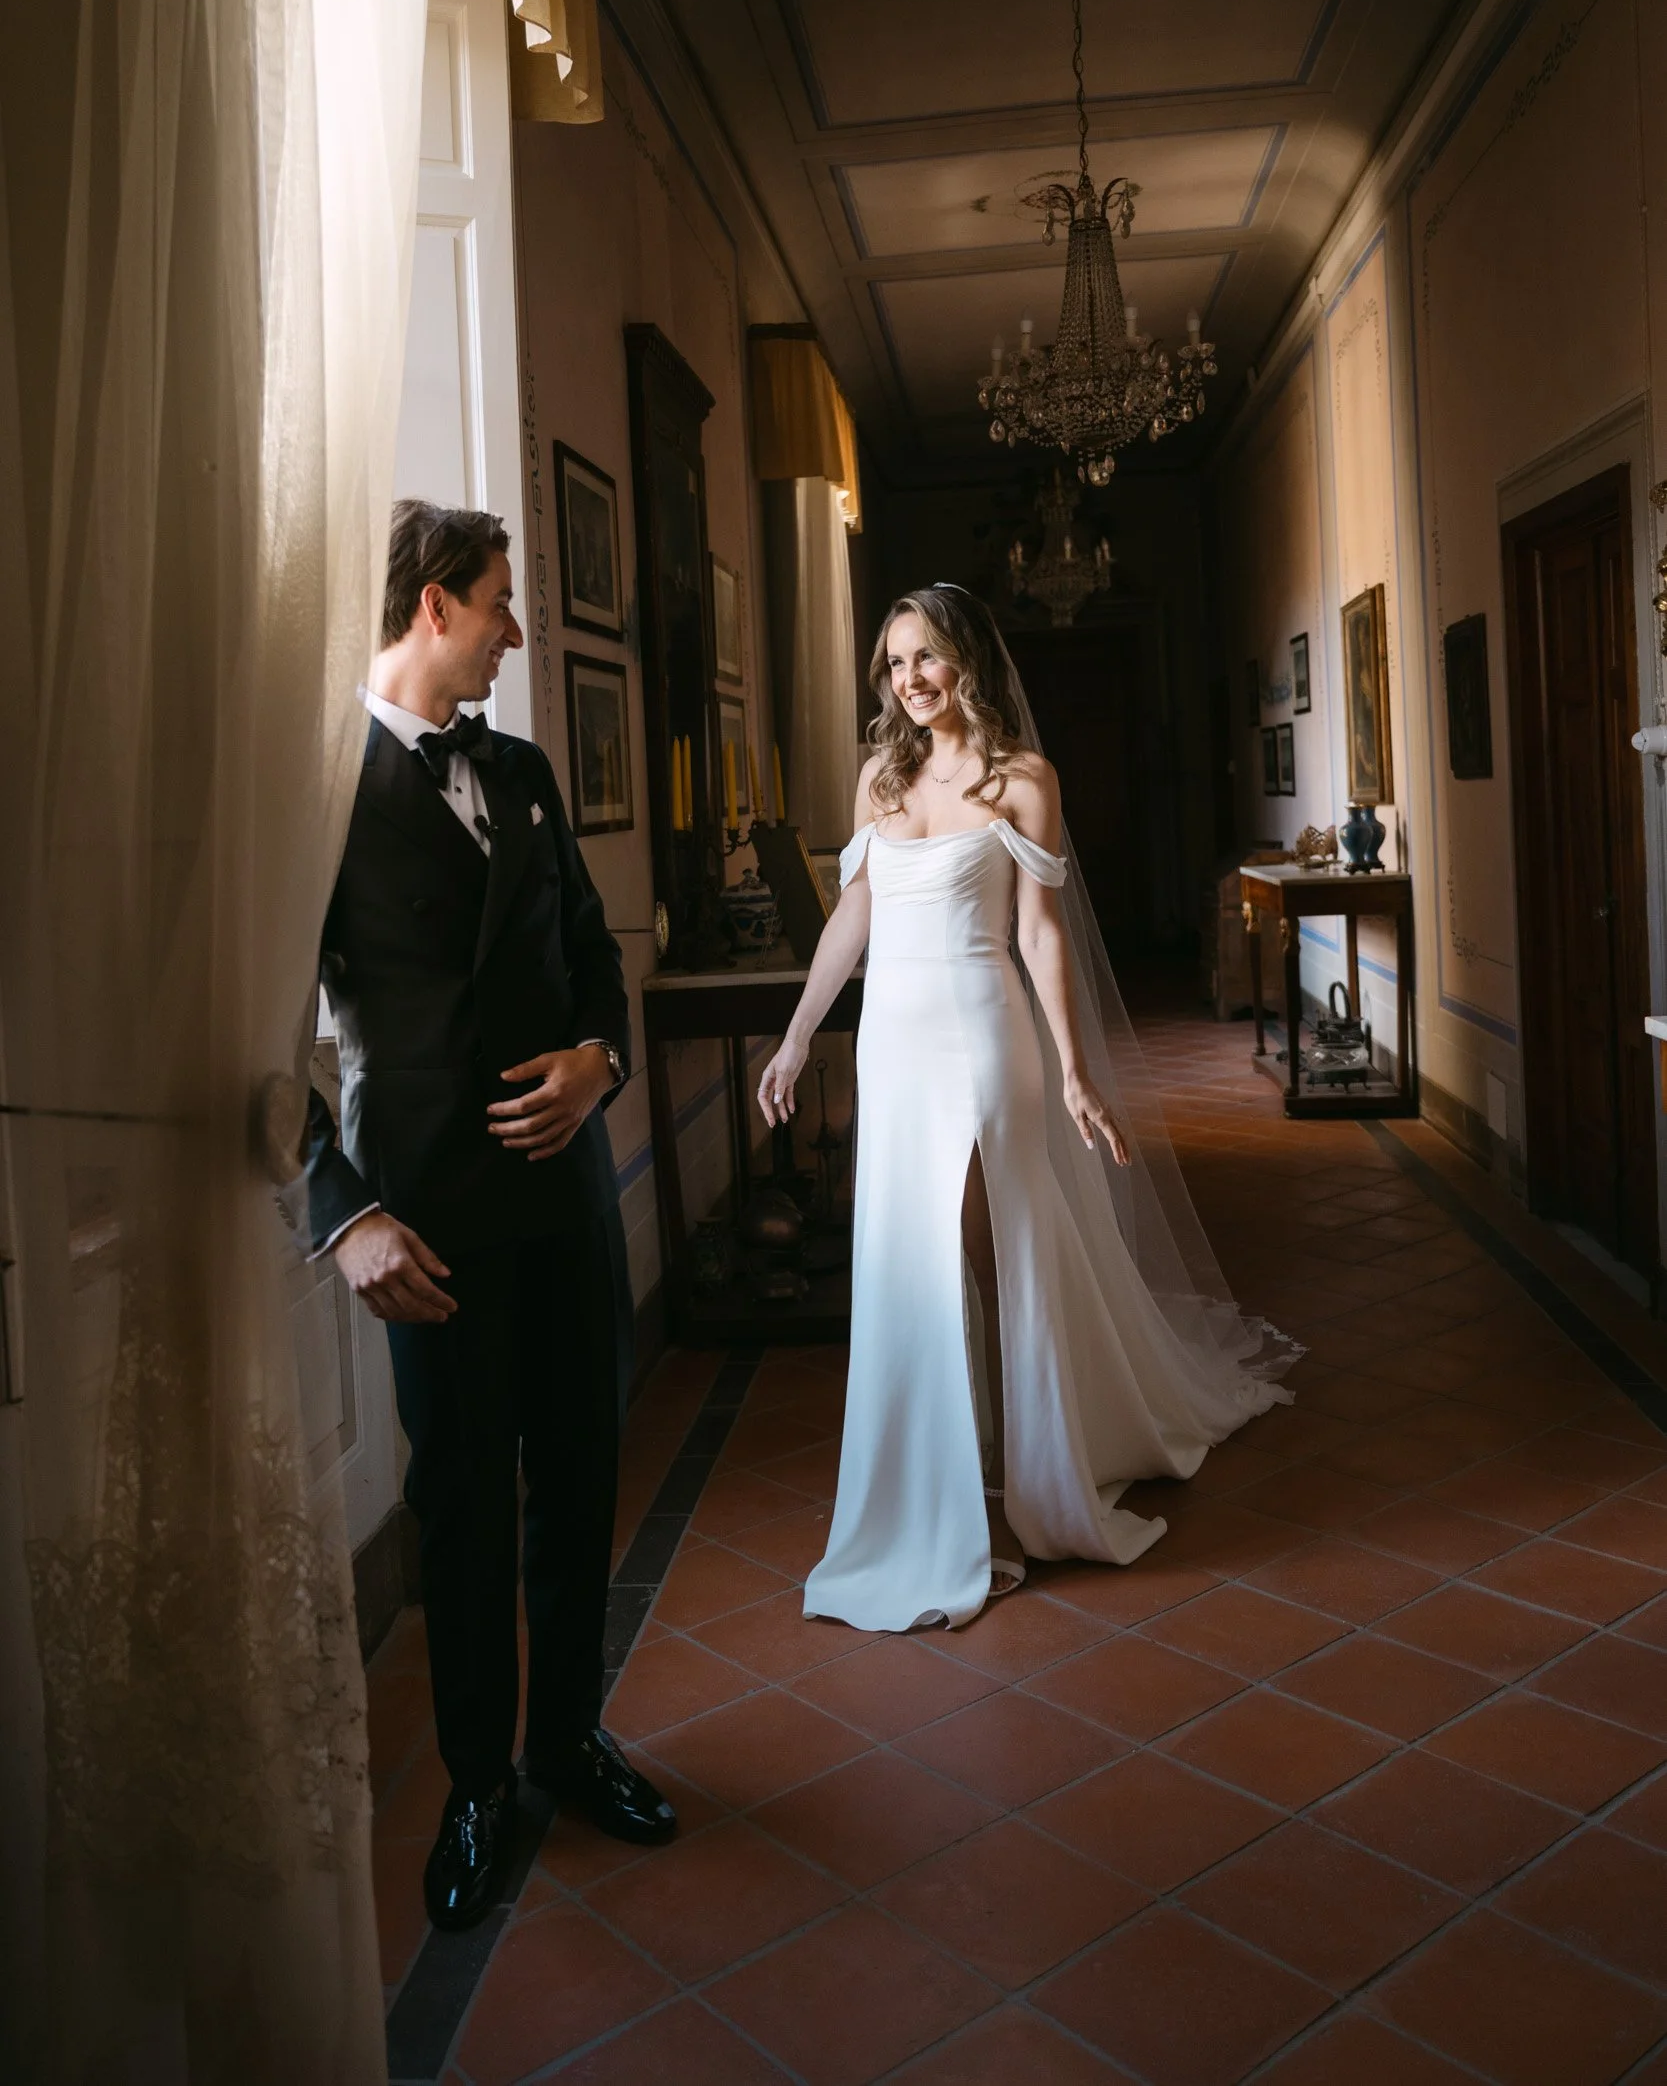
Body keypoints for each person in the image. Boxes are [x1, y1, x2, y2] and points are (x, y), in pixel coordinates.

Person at [758, 583, 1297, 1632]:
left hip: (979, 1034)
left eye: (927, 657)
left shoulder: (1022, 782)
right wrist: (793, 1033)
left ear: (966, 660)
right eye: (894, 662)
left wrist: (1072, 1071)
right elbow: (852, 919)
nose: (910, 680)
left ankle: (1011, 1488)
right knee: (910, 1258)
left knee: (986, 1246)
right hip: (891, 1048)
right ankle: (935, 1485)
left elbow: (1041, 935)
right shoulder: (879, 776)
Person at [306, 500, 674, 1933]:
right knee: (463, 1503)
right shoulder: (318, 791)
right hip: (429, 1225)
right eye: (501, 604)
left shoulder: (520, 772)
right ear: (431, 608)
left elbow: (592, 958)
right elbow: (262, 1042)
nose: (517, 631)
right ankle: (475, 1784)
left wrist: (602, 1060)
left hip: (565, 1204)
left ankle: (568, 1741)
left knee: (579, 1478)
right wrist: (344, 1223)